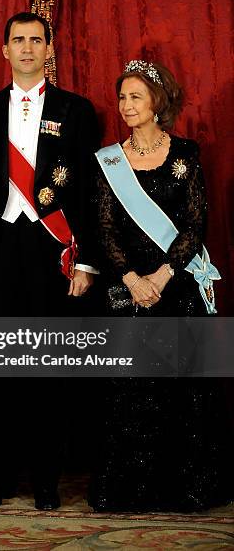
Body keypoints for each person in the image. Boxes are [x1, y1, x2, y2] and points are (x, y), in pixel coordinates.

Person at [0, 12, 100, 510]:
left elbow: (88, 191)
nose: (26, 48)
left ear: (49, 50)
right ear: (4, 50)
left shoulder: (77, 111)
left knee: (48, 369)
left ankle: (46, 480)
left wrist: (86, 263)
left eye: (36, 40)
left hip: (52, 252)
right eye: (18, 40)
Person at [88, 59, 232, 512]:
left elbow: (195, 225)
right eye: (122, 97)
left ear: (157, 103)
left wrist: (163, 275)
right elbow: (104, 231)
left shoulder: (186, 154)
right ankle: (131, 490)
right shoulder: (109, 160)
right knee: (132, 390)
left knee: (184, 392)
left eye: (136, 97)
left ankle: (186, 488)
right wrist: (132, 279)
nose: (126, 105)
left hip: (178, 283)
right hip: (128, 287)